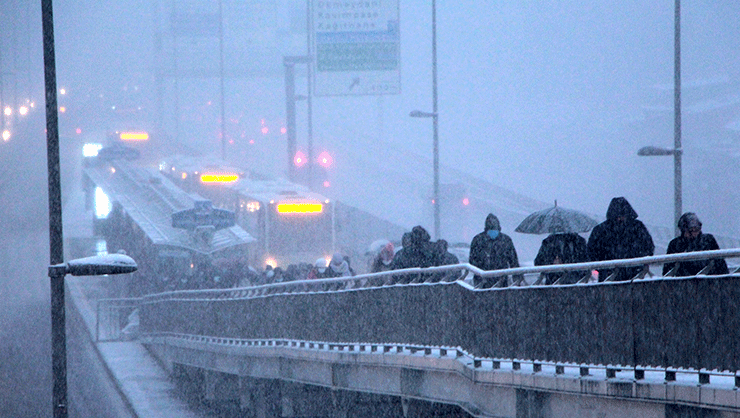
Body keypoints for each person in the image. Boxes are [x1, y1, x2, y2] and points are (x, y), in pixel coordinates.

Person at [587, 197, 654, 281]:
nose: (620, 219)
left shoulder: (600, 230)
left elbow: (592, 253)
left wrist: (605, 268)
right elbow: (648, 248)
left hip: (609, 277)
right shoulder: (638, 227)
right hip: (634, 276)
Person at [663, 212, 729, 277]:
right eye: (690, 231)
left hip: (709, 283)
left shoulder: (708, 241)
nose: (694, 234)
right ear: (683, 230)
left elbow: (720, 264)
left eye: (696, 230)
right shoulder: (675, 244)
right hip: (685, 283)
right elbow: (668, 270)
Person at [468, 213, 522, 288]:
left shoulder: (478, 240)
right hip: (500, 279)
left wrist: (482, 266)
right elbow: (513, 261)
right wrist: (517, 278)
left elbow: (472, 261)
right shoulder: (505, 240)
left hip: (482, 280)